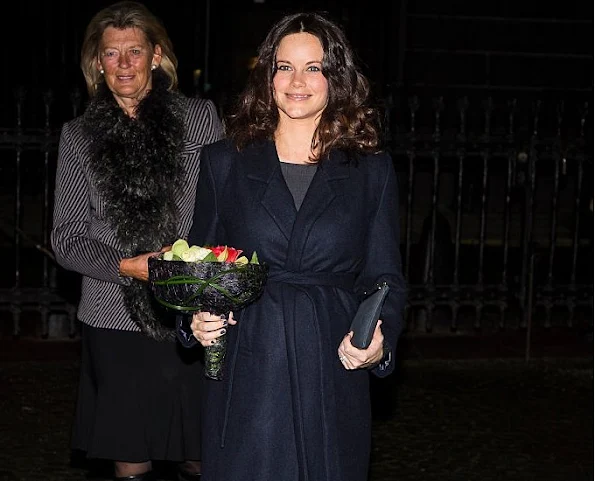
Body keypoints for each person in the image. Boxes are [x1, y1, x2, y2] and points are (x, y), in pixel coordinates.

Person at [177, 11, 407, 481]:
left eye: (313, 67)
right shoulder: (225, 163)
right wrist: (194, 320)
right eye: (284, 66)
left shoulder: (371, 171)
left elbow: (386, 277)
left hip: (331, 362)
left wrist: (379, 338)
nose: (297, 81)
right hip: (249, 365)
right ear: (267, 75)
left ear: (335, 78)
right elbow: (198, 267)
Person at [50, 2, 224, 480]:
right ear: (97, 64)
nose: (123, 64)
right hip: (112, 314)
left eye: (134, 51)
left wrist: (197, 277)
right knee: (131, 459)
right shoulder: (79, 135)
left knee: (202, 452)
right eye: (111, 54)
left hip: (190, 313)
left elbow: (224, 209)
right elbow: (65, 238)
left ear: (156, 56)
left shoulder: (200, 119)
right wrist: (127, 266)